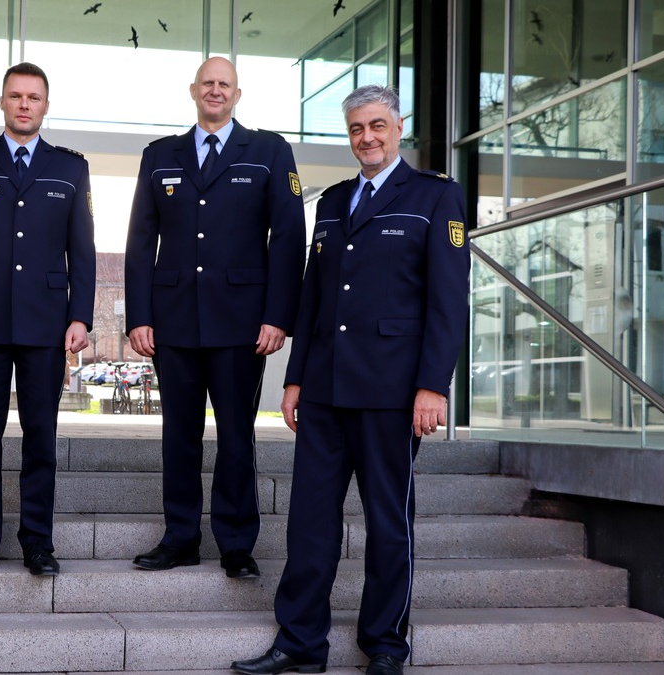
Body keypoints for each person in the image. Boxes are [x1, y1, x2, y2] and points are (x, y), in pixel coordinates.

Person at [231, 85, 470, 675]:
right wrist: (295, 380)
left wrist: (433, 386)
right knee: (310, 521)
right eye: (357, 128)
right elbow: (314, 296)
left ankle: (386, 645)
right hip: (326, 391)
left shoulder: (437, 198)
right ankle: (299, 642)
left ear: (398, 127)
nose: (367, 137)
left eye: (377, 126)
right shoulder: (333, 201)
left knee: (389, 523)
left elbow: (448, 301)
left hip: (394, 392)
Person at [124, 57, 306, 579]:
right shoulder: (160, 155)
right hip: (174, 321)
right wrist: (140, 315)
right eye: (208, 83)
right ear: (193, 91)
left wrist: (278, 316)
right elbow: (140, 241)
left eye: (224, 84)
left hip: (243, 325)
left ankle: (235, 544)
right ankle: (180, 537)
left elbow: (289, 237)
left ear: (237, 94)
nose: (215, 91)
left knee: (235, 436)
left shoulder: (270, 151)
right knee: (177, 434)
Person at [0, 62, 95, 577]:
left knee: (40, 437)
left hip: (47, 325)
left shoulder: (71, 168)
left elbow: (84, 251)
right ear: (2, 102)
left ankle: (37, 543)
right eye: (16, 96)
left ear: (46, 105)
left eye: (34, 97)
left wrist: (81, 317)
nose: (25, 104)